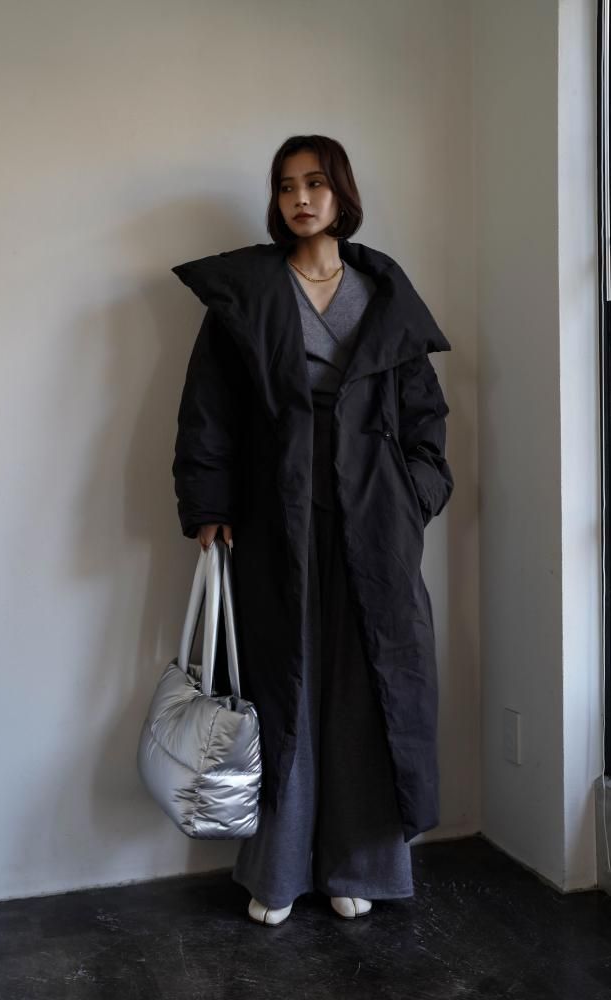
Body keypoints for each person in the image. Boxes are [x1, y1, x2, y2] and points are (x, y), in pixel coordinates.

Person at [171, 134, 454, 927]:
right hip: (277, 515)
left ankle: (357, 864)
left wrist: (415, 495)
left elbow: (426, 416)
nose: (300, 198)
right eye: (287, 185)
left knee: (370, 687)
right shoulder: (251, 293)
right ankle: (279, 869)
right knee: (282, 686)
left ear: (342, 194)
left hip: (375, 520)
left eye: (316, 183)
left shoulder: (382, 293)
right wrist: (210, 505)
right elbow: (208, 408)